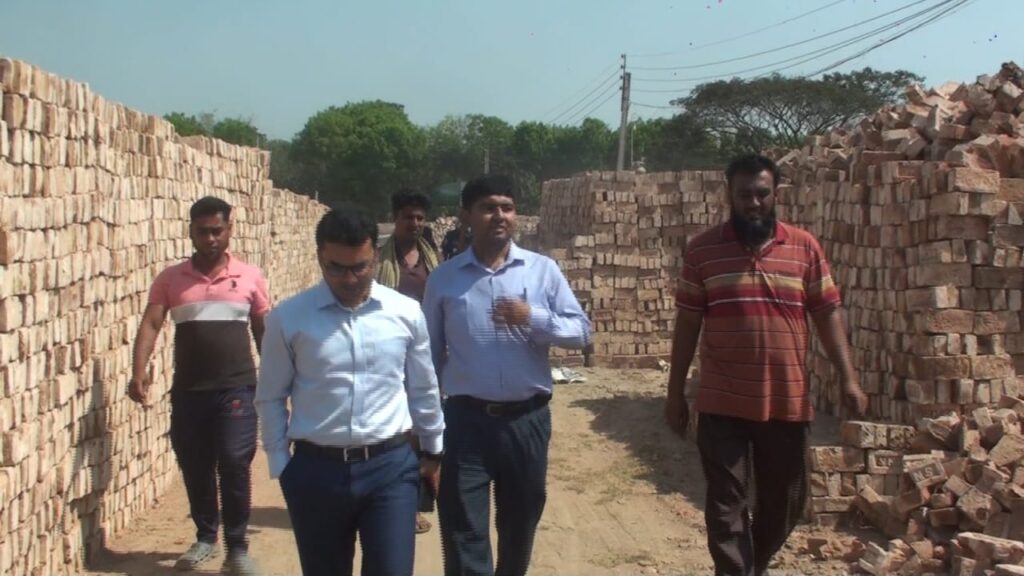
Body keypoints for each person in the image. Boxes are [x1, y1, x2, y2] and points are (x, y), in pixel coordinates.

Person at [664, 154, 869, 576]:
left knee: (785, 502)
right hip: (722, 402)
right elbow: (687, 323)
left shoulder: (804, 247)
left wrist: (849, 378)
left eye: (762, 194)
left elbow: (827, 313)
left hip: (785, 402)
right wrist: (675, 392)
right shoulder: (703, 251)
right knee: (726, 507)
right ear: (729, 195)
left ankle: (751, 566)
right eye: (744, 195)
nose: (754, 203)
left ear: (776, 194)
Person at [255, 208, 445, 576]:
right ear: (320, 258)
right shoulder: (288, 319)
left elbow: (423, 387)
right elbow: (271, 395)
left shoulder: (405, 313)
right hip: (316, 472)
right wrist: (281, 464)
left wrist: (433, 448)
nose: (349, 278)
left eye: (360, 267)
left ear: (375, 256)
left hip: (390, 469)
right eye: (336, 268)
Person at [423, 175, 591, 576]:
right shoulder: (445, 279)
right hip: (465, 422)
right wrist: (425, 425)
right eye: (488, 207)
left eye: (507, 207)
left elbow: (582, 332)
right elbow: (427, 356)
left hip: (526, 421)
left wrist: (533, 317)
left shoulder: (542, 271)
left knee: (520, 521)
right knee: (463, 530)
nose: (499, 215)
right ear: (466, 215)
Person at [128, 196, 268, 575]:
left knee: (234, 462)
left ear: (229, 230)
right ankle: (206, 538)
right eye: (202, 231)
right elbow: (152, 323)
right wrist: (138, 370)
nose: (210, 239)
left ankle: (237, 549)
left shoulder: (249, 277)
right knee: (195, 463)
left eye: (216, 231)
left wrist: (277, 379)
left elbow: (262, 330)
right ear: (190, 231)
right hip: (189, 391)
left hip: (237, 389)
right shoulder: (171, 279)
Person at [375, 189, 442, 534]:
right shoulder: (378, 261)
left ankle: (413, 503)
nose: (414, 223)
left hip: (426, 353)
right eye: (407, 217)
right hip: (389, 354)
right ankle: (391, 501)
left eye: (419, 218)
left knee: (421, 429)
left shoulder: (433, 259)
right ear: (395, 219)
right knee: (395, 429)